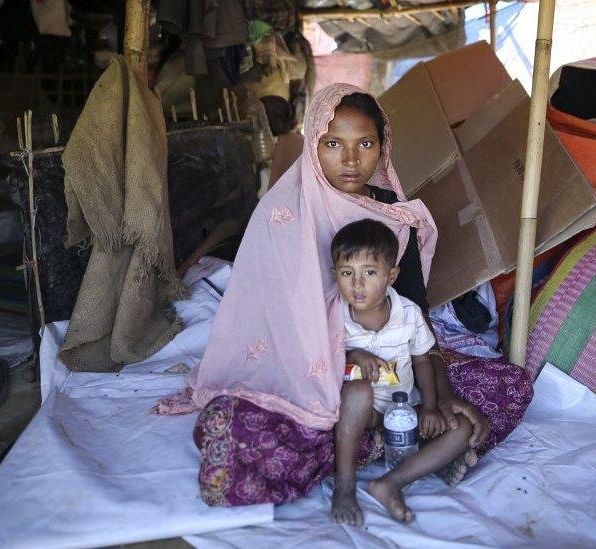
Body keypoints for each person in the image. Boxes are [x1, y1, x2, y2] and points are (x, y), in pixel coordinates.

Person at [183, 83, 534, 512]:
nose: (350, 160)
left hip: (396, 375)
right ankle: (396, 447)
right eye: (333, 144)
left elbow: (416, 317)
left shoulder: (392, 212)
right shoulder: (282, 213)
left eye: (364, 143)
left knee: (509, 384)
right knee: (229, 427)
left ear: (383, 147)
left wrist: (440, 398)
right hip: (309, 377)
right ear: (314, 143)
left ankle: (386, 442)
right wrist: (346, 358)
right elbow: (273, 326)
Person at [330, 219, 473, 525]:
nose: (357, 285)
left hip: (403, 409)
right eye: (347, 273)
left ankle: (392, 482)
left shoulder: (409, 314)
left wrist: (431, 408)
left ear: (391, 275)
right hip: (362, 414)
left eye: (370, 272)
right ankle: (345, 485)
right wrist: (353, 355)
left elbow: (423, 360)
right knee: (358, 391)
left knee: (461, 427)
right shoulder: (334, 317)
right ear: (335, 275)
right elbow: (318, 361)